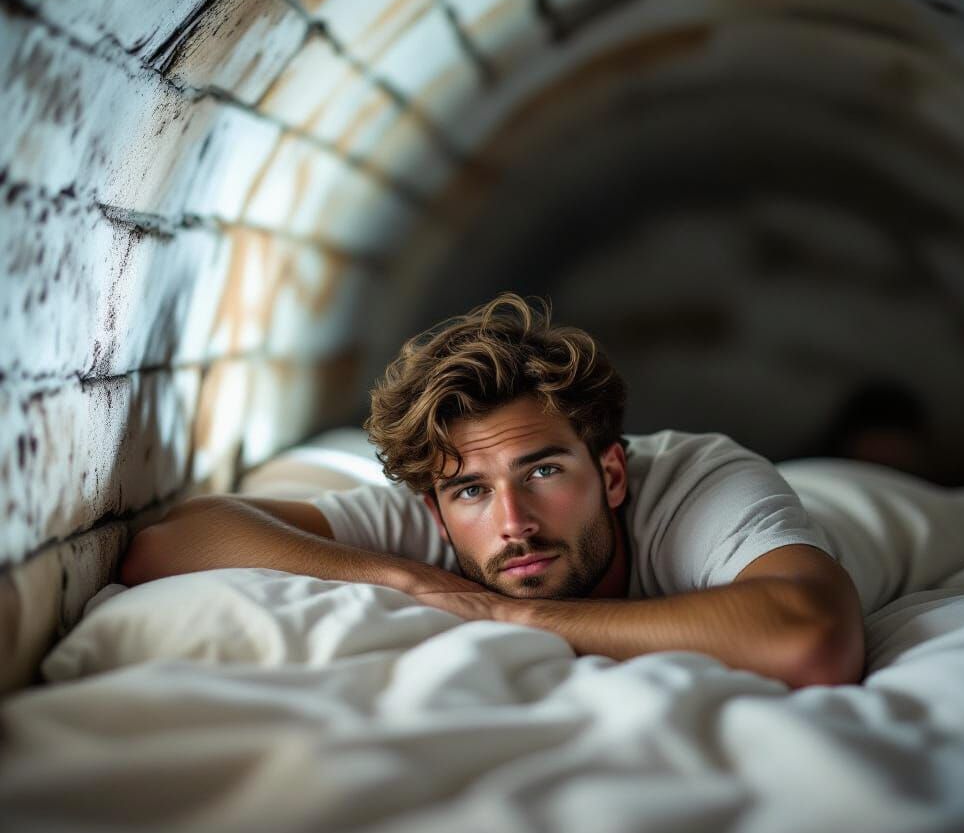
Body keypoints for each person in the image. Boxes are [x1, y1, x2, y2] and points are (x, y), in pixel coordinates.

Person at [120, 294, 865, 689]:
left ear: (609, 472)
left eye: (543, 472)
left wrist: (512, 612)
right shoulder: (433, 521)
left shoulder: (697, 483)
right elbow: (171, 541)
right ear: (436, 512)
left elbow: (812, 636)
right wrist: (404, 578)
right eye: (472, 491)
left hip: (860, 516)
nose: (513, 523)